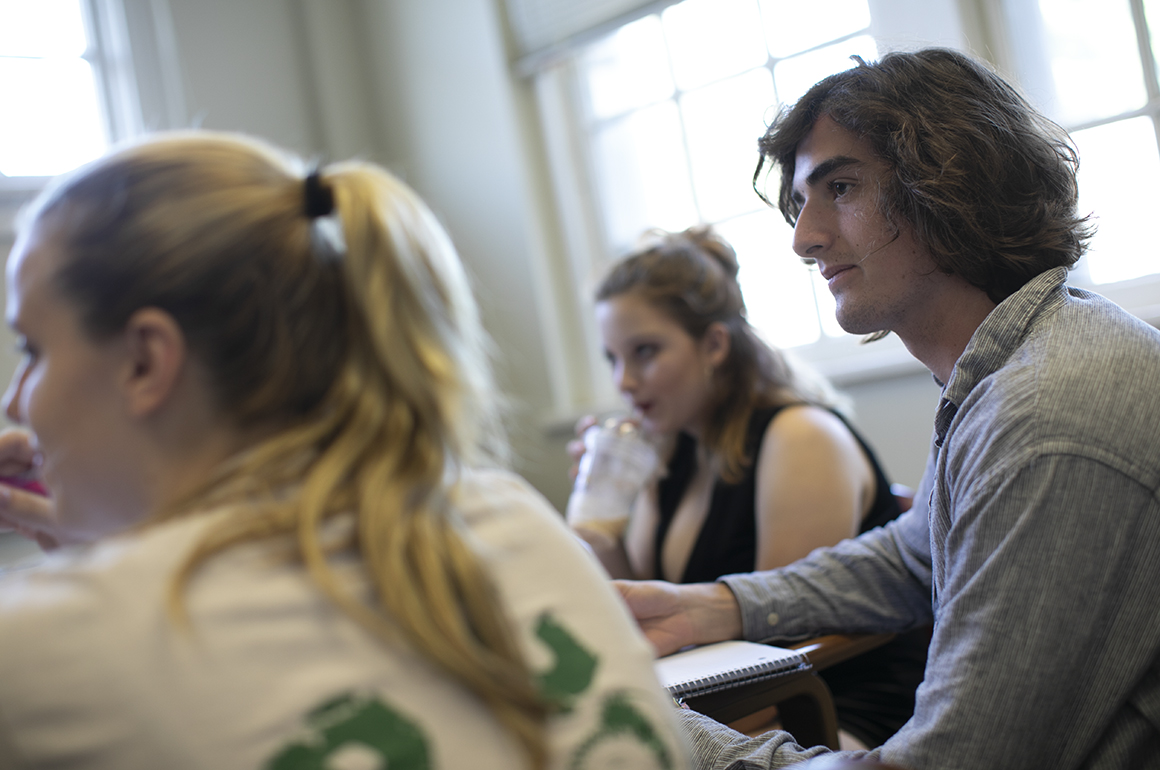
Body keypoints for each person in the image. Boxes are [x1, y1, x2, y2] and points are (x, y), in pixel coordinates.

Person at [0, 131, 691, 770]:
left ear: (146, 362)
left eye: (32, 350)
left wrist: (107, 578)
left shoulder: (47, 651)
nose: (15, 401)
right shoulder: (510, 515)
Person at [617, 47, 1160, 769]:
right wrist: (709, 607)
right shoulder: (1016, 363)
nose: (804, 239)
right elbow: (911, 561)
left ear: (953, 185)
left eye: (840, 187)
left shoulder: (1044, 415)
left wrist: (646, 723)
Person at [569, 226, 927, 748]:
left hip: (829, 713)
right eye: (613, 358)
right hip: (722, 706)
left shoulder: (800, 437)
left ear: (713, 344)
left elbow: (781, 649)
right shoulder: (667, 452)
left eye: (644, 351)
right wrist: (603, 530)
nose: (624, 381)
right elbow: (647, 611)